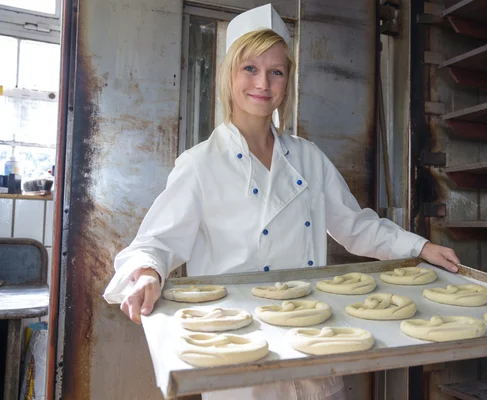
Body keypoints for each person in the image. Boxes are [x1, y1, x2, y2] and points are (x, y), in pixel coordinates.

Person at [103, 4, 461, 399]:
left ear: (288, 81)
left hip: (312, 341)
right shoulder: (200, 165)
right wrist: (149, 273)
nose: (263, 83)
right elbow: (156, 244)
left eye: (277, 71)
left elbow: (355, 227)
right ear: (229, 75)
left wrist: (419, 247)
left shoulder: (308, 157)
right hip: (238, 351)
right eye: (250, 68)